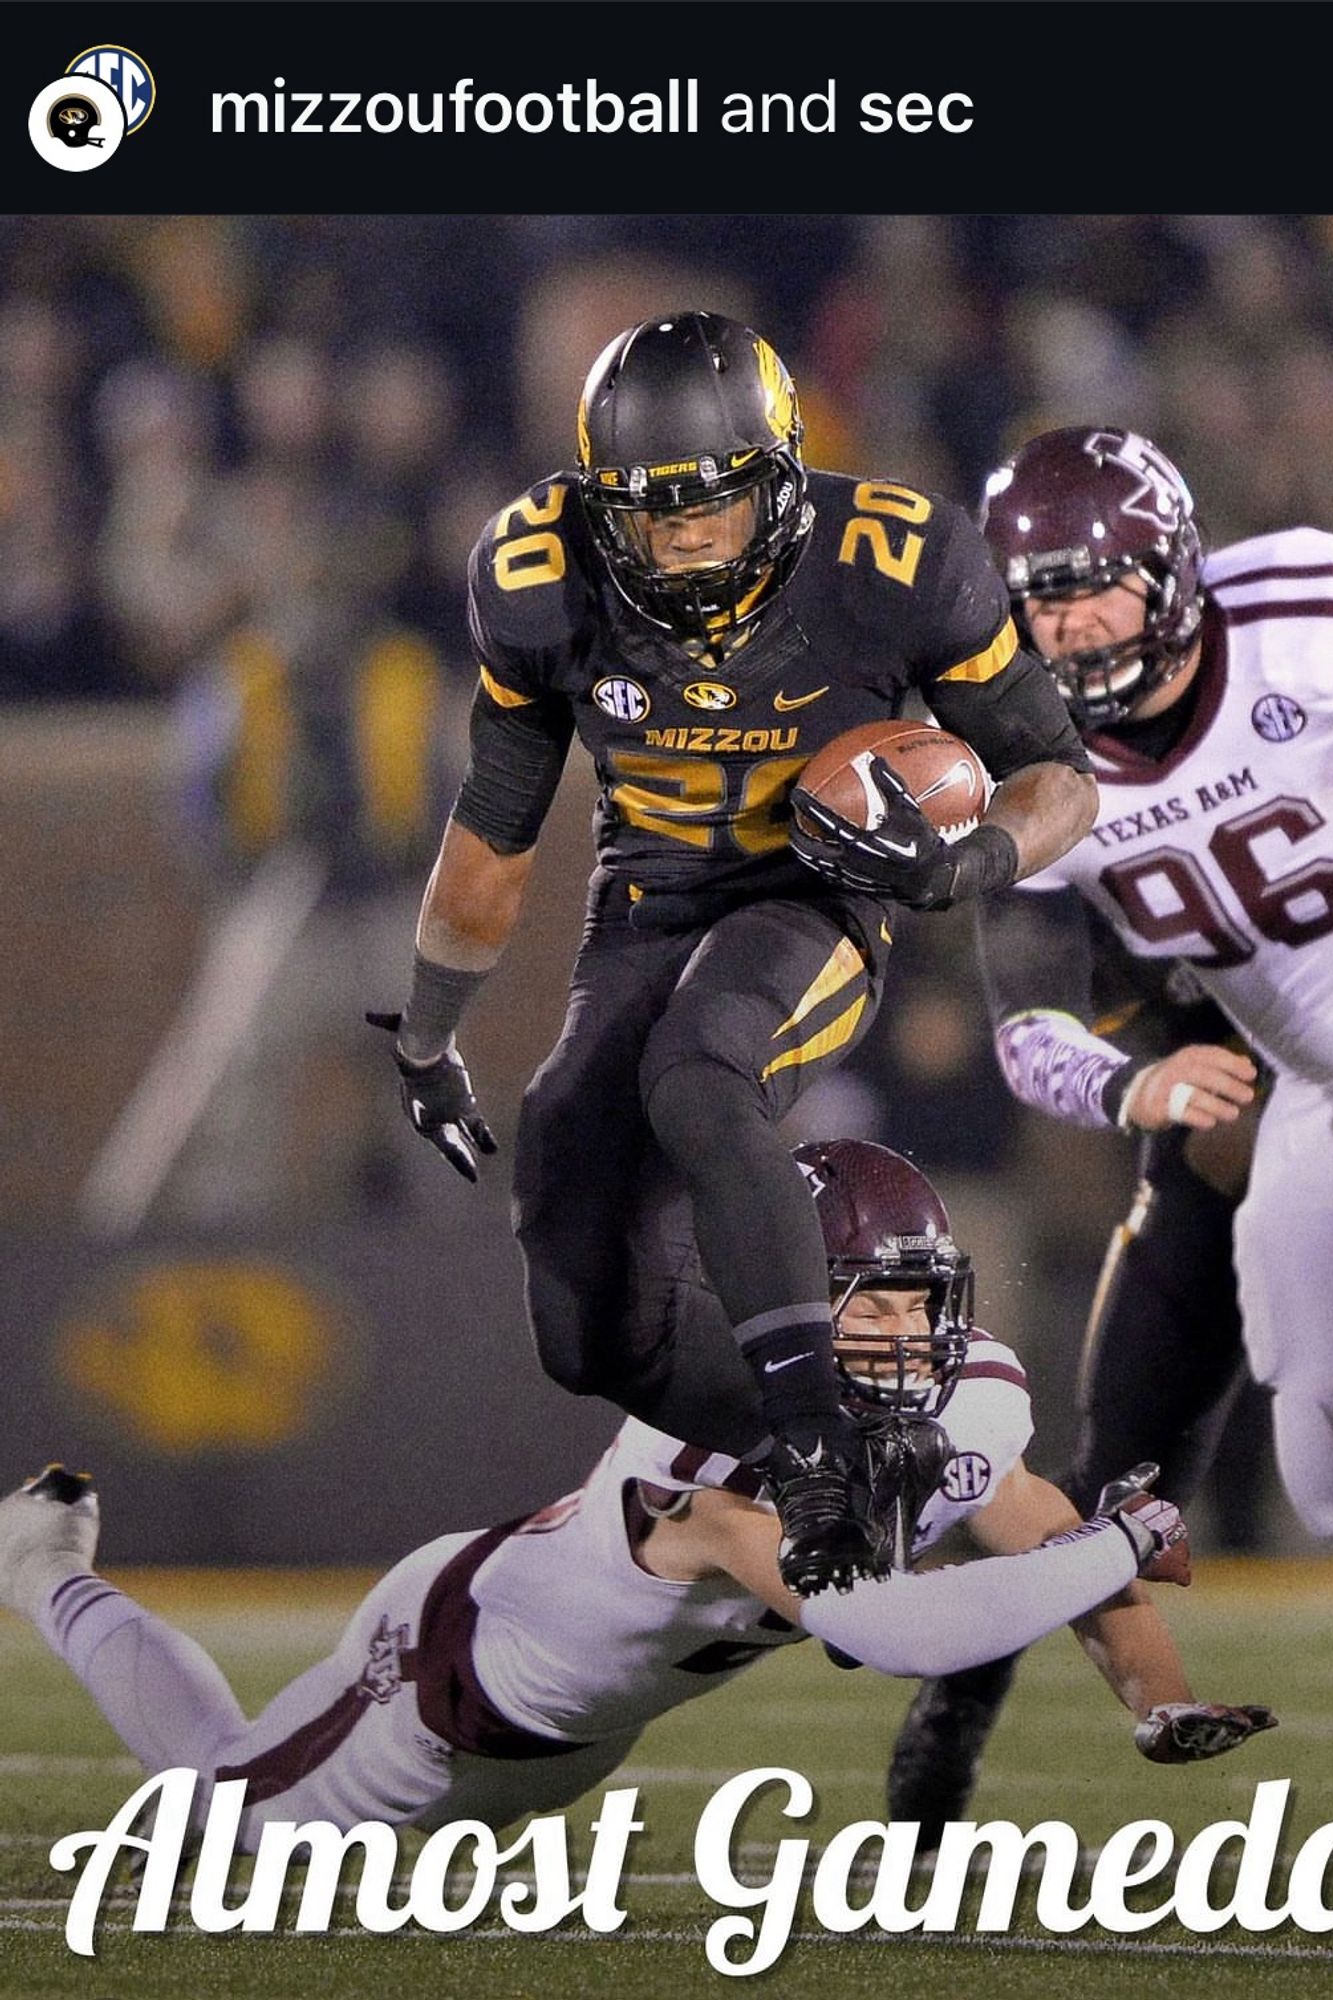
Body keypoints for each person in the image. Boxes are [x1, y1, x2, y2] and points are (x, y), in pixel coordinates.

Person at [867, 424, 1333, 1885]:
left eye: (1094, 587)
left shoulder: (1316, 620)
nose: (1066, 625)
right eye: (1036, 598)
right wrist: (1136, 1083)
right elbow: (1026, 1027)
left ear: (1173, 570)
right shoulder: (1026, 764)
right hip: (1311, 1082)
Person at [371, 311, 1098, 1598]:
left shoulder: (894, 552)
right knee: (580, 1304)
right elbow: (492, 836)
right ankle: (899, 1440)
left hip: (818, 894)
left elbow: (1055, 775)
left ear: (780, 472)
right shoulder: (537, 572)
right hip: (646, 903)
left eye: (714, 503)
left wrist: (972, 860)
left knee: (698, 1073)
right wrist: (428, 1037)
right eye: (654, 512)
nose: (688, 537)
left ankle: (823, 1448)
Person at [0, 1141, 1274, 1848]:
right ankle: (47, 1564)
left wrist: (1155, 1696)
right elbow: (884, 1625)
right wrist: (1122, 1539)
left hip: (580, 1727)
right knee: (224, 1809)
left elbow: (1037, 1522)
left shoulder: (966, 1388)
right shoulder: (705, 1465)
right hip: (449, 1684)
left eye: (915, 1299)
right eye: (859, 1303)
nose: (899, 1336)